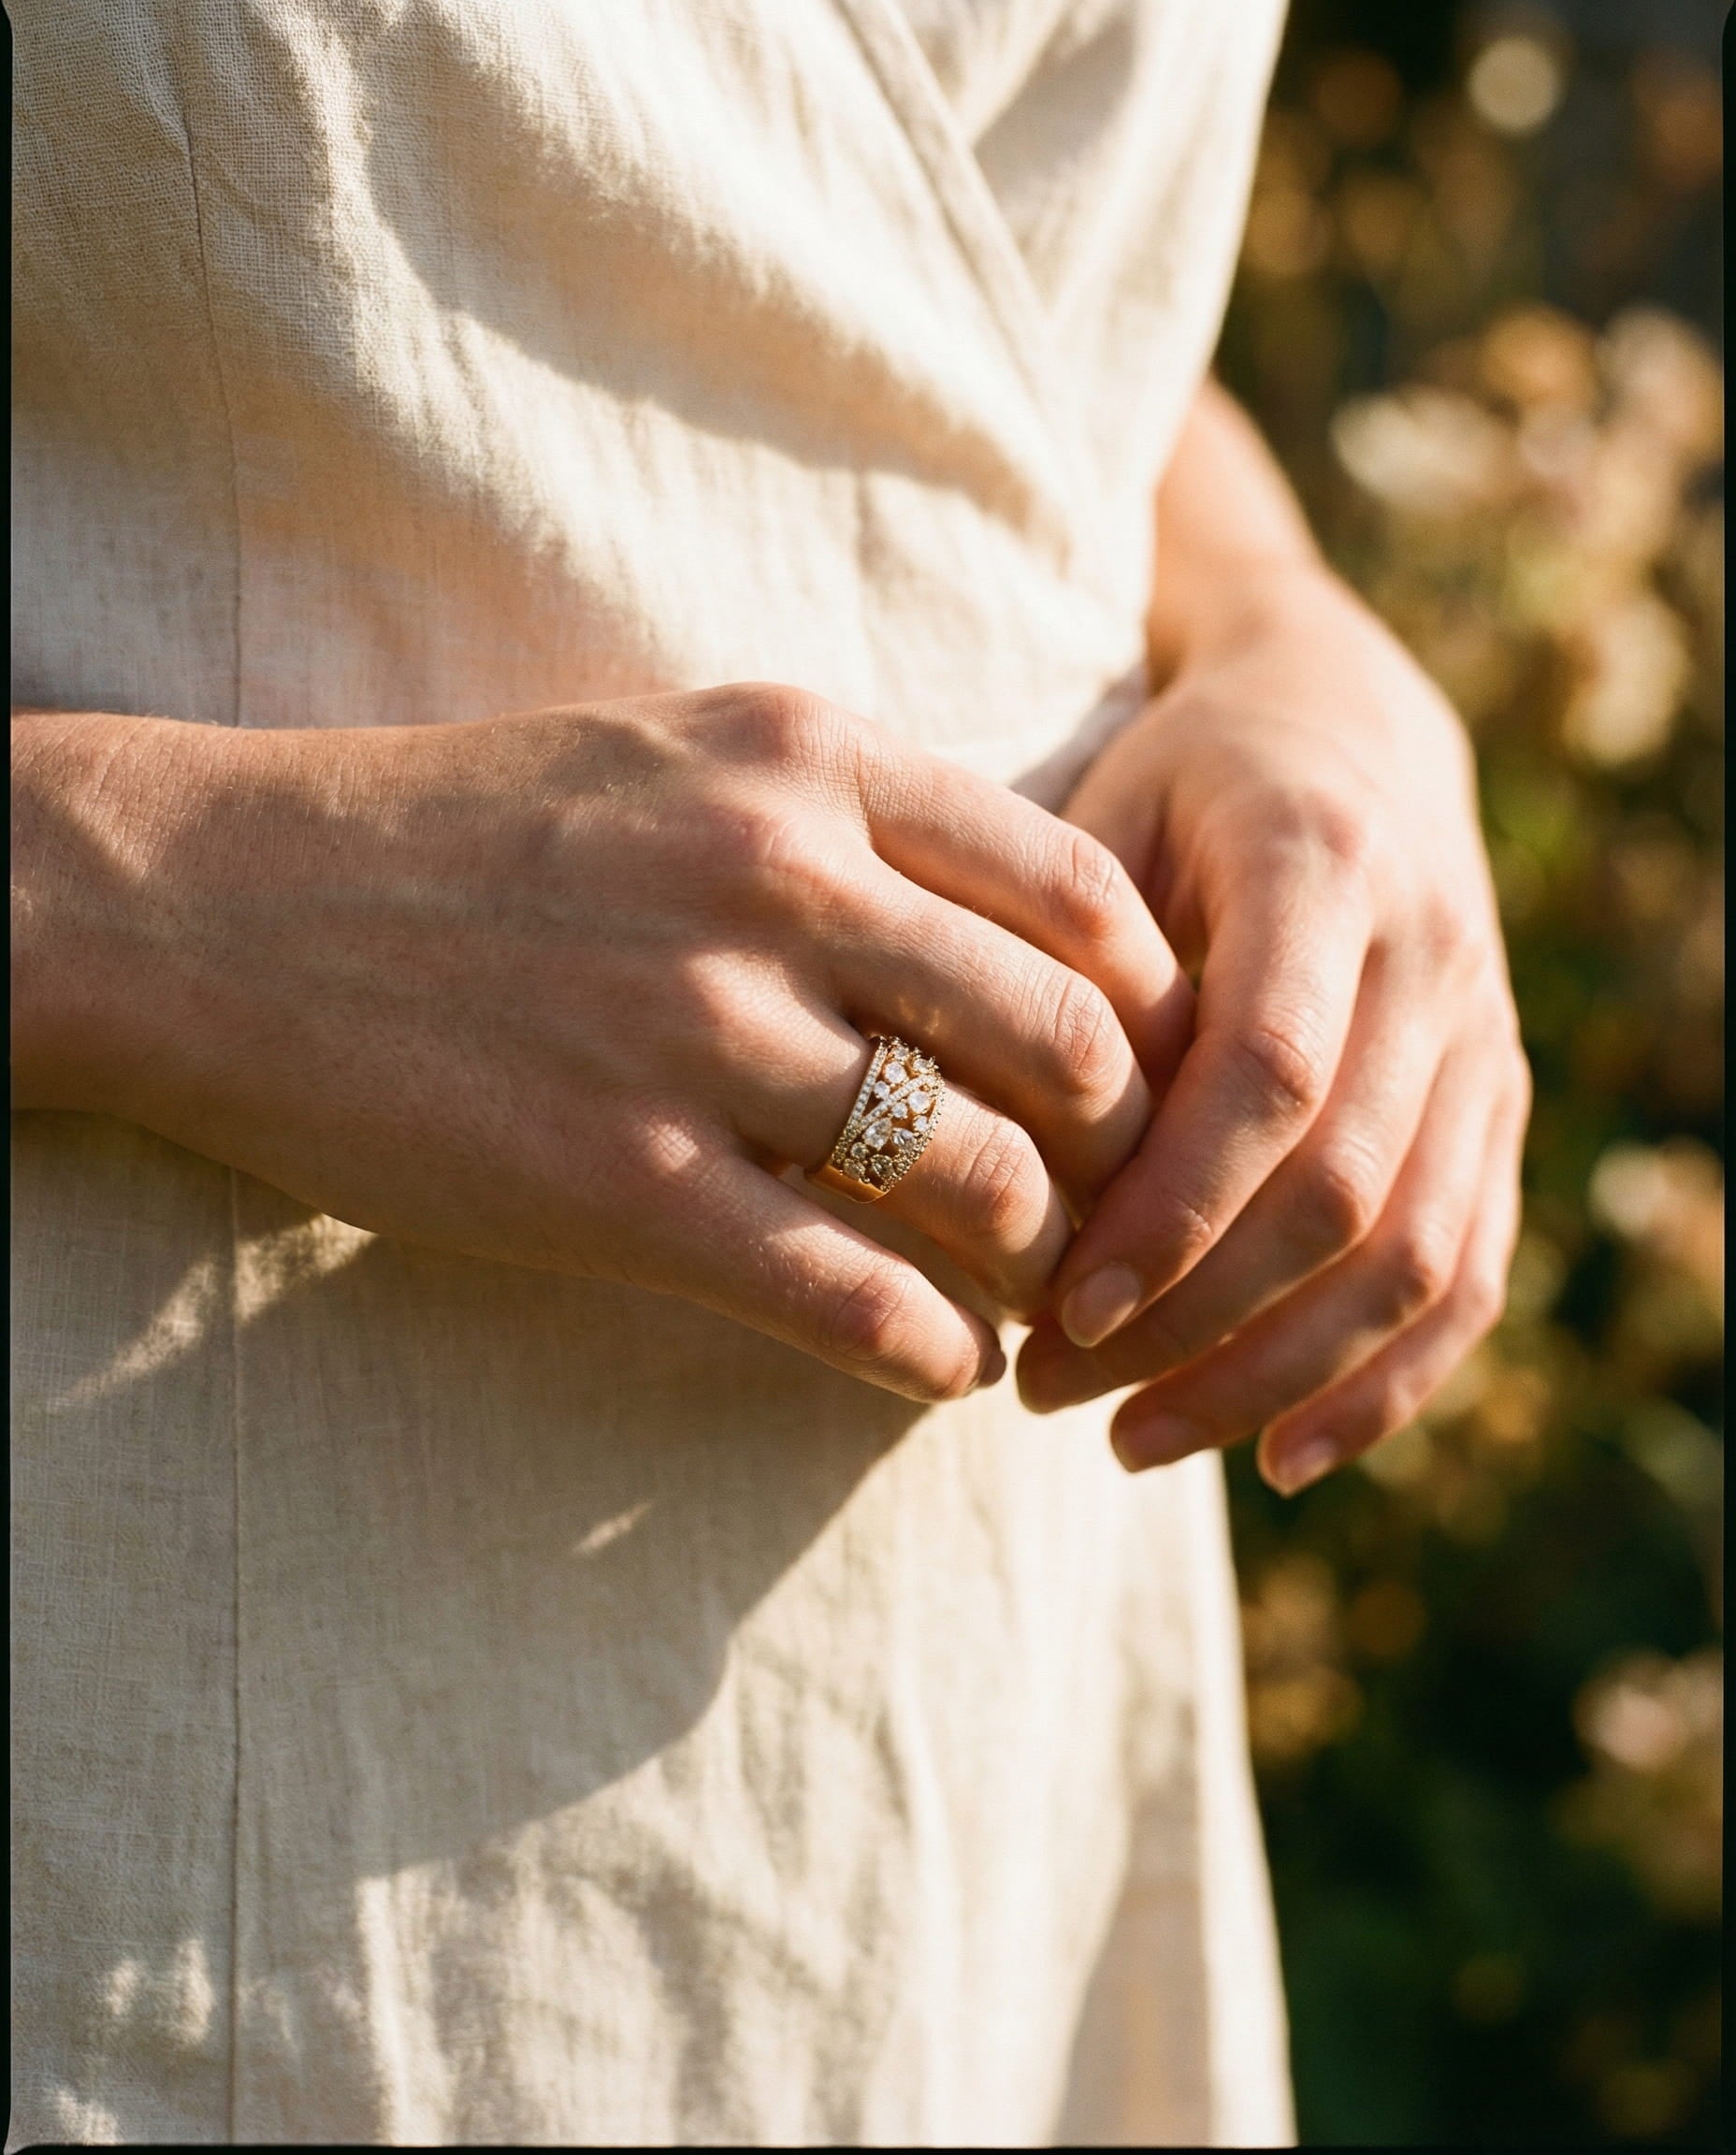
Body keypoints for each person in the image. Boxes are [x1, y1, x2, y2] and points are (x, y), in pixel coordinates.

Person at [11, 0, 1528, 2142]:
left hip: (966, 1750)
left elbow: (907, 243)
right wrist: (163, 901)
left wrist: (1288, 635)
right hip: (157, 1772)